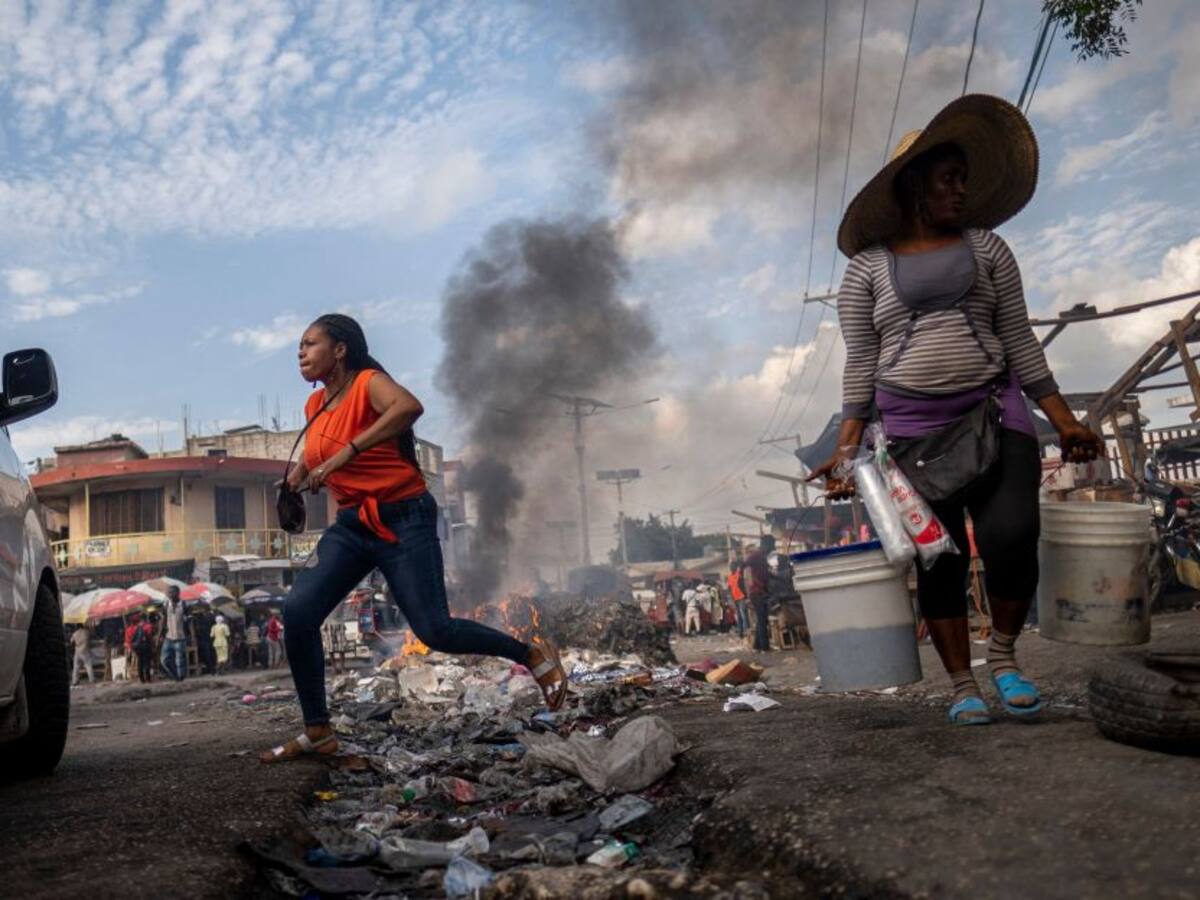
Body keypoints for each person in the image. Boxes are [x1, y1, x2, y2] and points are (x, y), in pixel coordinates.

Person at [808, 95, 1104, 725]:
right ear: (913, 186)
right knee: (937, 559)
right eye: (949, 179)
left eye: (964, 179)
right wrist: (845, 449)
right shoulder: (867, 270)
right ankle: (961, 685)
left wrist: (1065, 419)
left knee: (1013, 536)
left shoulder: (989, 249)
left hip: (997, 411)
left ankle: (1003, 658)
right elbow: (861, 362)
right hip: (912, 433)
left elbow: (1019, 338)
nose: (961, 190)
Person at [261, 313, 568, 763]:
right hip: (353, 525)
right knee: (299, 612)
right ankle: (318, 731)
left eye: (310, 344)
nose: (301, 353)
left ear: (340, 349)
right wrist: (297, 478)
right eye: (299, 348)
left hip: (405, 517)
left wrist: (346, 453)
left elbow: (408, 408)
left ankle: (531, 653)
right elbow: (313, 457)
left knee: (435, 630)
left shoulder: (368, 383)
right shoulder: (315, 408)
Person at [742, 537, 774, 652]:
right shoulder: (756, 555)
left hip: (761, 591)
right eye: (772, 546)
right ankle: (765, 647)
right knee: (762, 619)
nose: (773, 549)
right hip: (757, 592)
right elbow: (743, 565)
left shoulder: (762, 557)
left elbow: (764, 574)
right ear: (766, 545)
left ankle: (757, 646)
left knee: (762, 620)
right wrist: (748, 588)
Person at [159, 586, 188, 682]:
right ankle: (175, 676)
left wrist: (192, 635)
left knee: (180, 661)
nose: (170, 594)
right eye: (169, 592)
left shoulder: (184, 605)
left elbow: (189, 621)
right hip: (168, 637)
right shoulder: (166, 605)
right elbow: (163, 620)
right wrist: (159, 635)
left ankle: (180, 679)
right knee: (164, 660)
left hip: (180, 637)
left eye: (172, 592)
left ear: (178, 593)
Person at [727, 560, 750, 638]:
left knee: (742, 615)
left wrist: (745, 596)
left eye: (732, 567)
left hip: (740, 597)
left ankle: (745, 631)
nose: (731, 568)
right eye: (731, 567)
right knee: (741, 616)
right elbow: (730, 589)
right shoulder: (731, 577)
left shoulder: (738, 576)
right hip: (737, 598)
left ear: (736, 567)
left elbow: (742, 586)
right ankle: (742, 632)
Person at [131, 615, 155, 683]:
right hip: (146, 647)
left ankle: (142, 679)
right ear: (146, 619)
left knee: (140, 662)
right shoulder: (148, 626)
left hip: (138, 648)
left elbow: (132, 638)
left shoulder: (136, 627)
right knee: (147, 662)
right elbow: (150, 636)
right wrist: (153, 645)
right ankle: (148, 678)